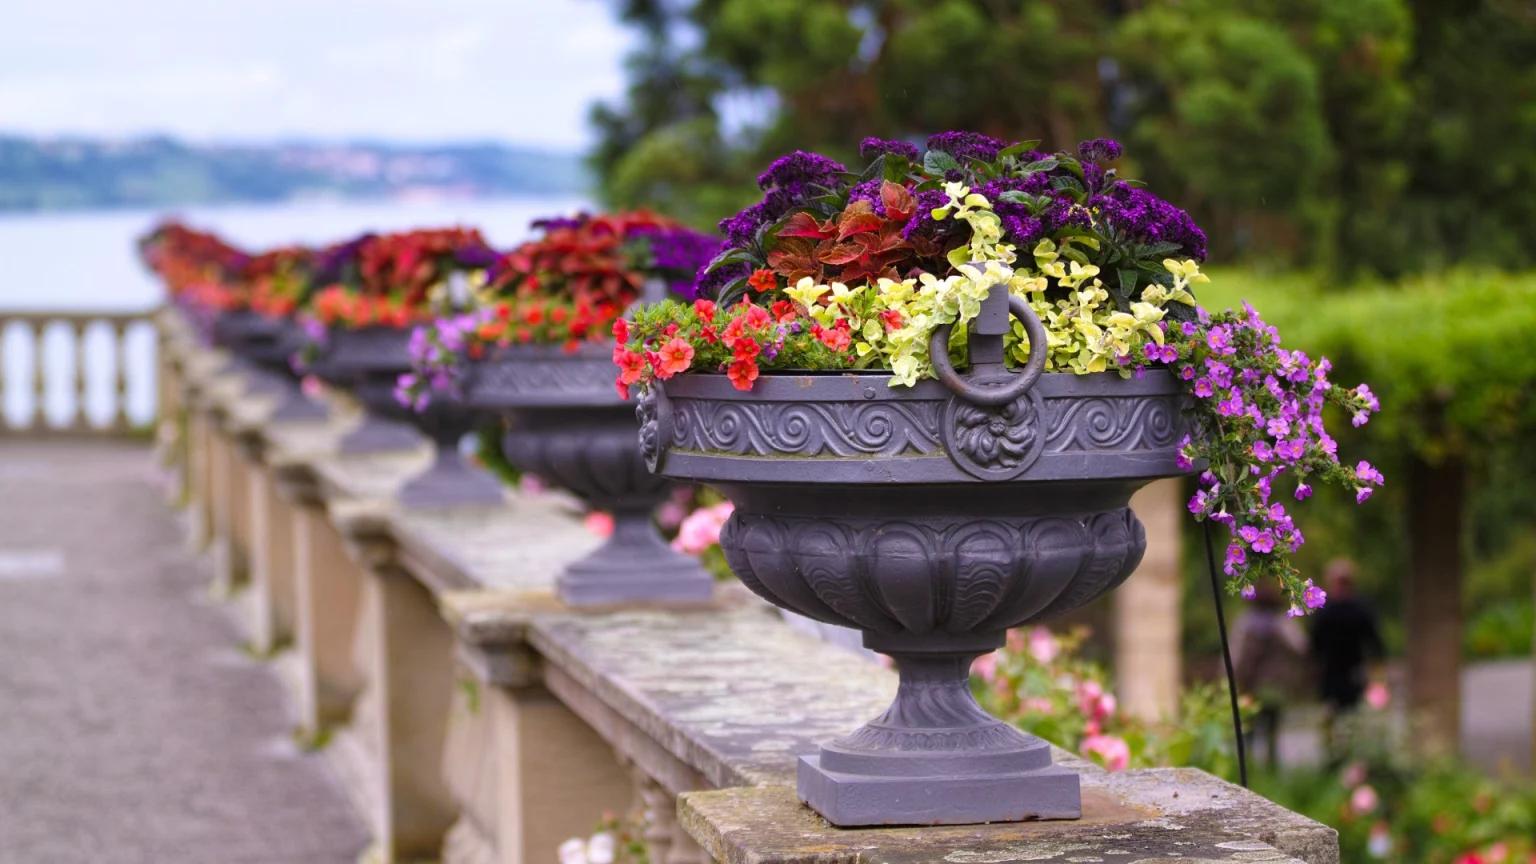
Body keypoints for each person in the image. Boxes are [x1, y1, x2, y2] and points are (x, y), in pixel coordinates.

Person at [1307, 558, 1384, 759]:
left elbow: (1313, 646)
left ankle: (1338, 757)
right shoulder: (1359, 608)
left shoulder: (1326, 611)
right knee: (1347, 719)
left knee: (1339, 719)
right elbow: (1376, 642)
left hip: (1338, 674)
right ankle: (1345, 757)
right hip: (1347, 673)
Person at [1231, 580, 1308, 769]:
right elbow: (1301, 647)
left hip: (1250, 684)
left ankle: (1249, 769)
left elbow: (1234, 654)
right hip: (1274, 685)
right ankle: (1271, 769)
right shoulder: (1282, 623)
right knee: (1272, 731)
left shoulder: (1245, 622)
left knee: (1249, 730)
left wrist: (1229, 678)